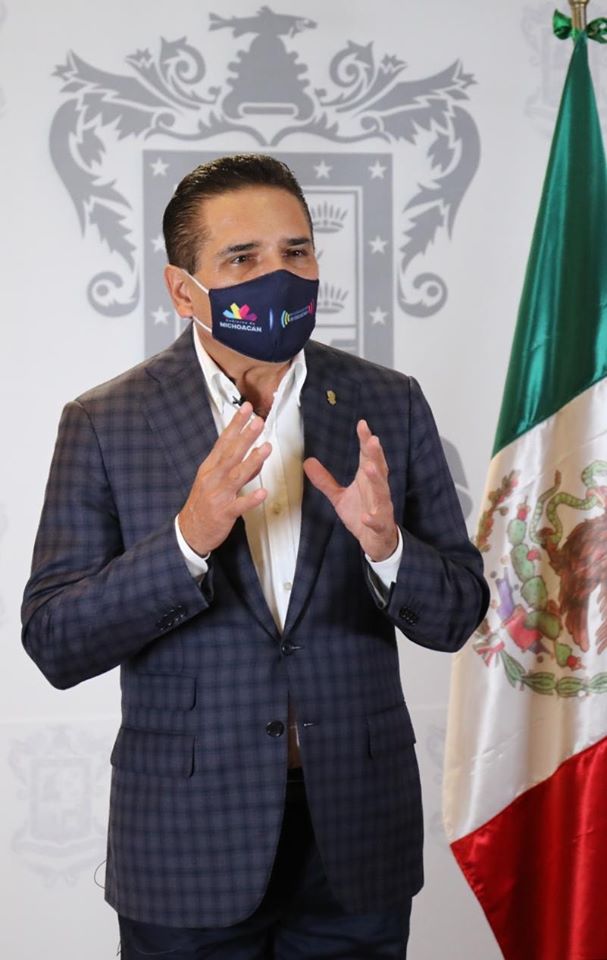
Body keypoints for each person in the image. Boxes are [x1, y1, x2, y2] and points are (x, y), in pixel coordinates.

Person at [22, 153, 489, 959]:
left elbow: (456, 617)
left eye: (295, 251)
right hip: (187, 842)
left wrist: (388, 550)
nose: (278, 276)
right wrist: (186, 539)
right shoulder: (105, 421)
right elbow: (56, 640)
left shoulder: (388, 401)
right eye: (241, 258)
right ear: (183, 290)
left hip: (356, 837)